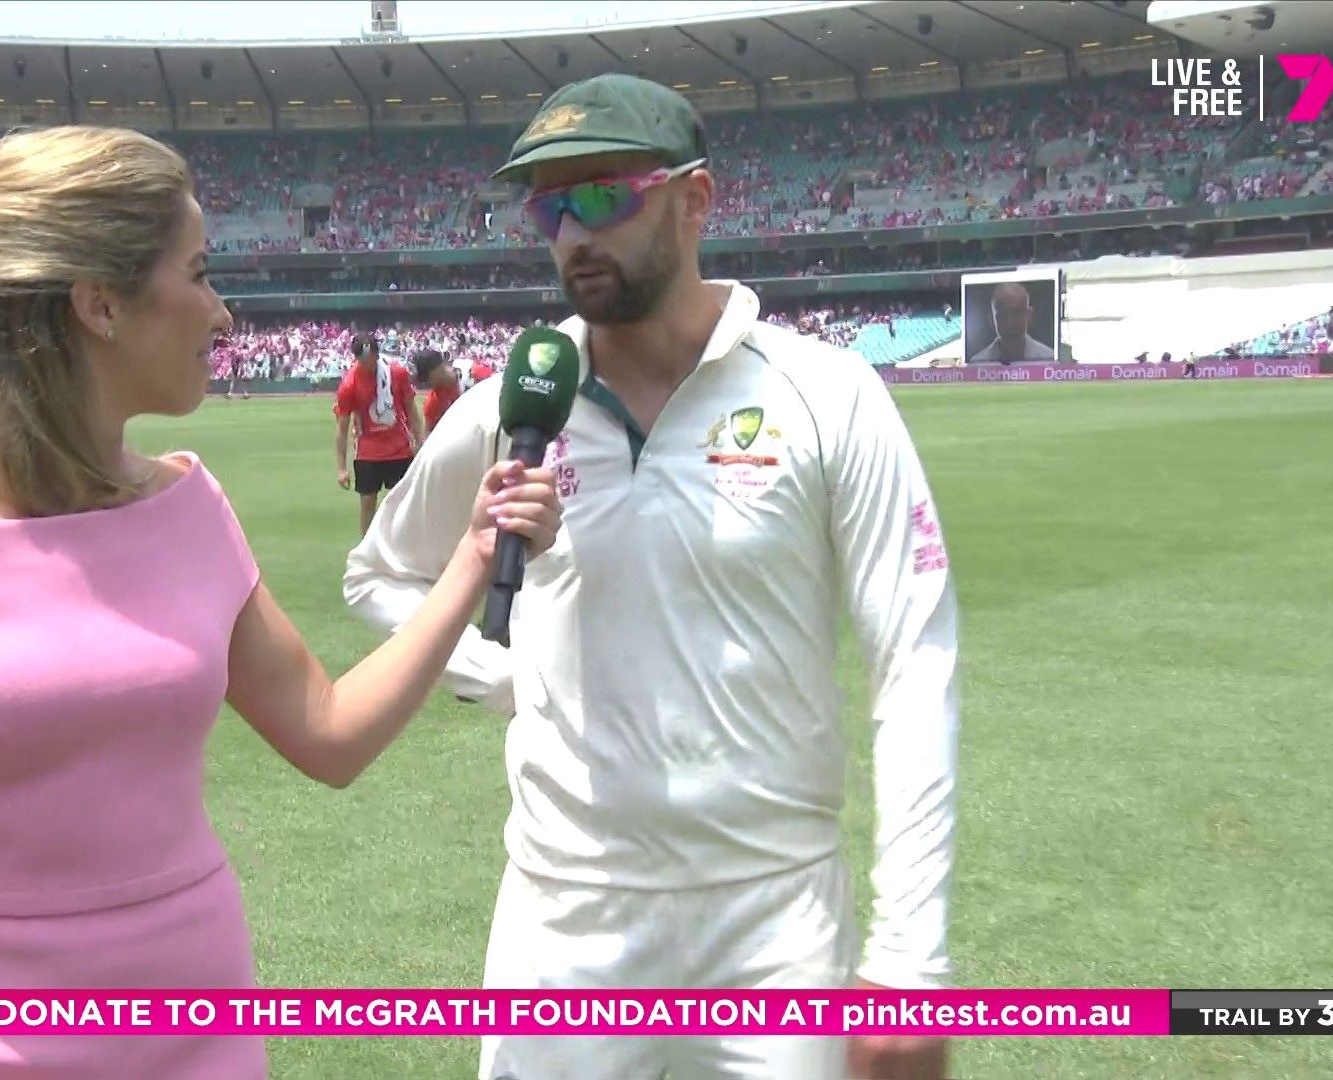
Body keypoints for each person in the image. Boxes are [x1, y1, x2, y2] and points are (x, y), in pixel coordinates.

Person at [0, 125, 562, 1080]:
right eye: (199, 273)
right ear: (101, 303)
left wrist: (471, 556)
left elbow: (330, 735)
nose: (223, 314)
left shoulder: (189, 502)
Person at [344, 74, 959, 1080]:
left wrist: (909, 957)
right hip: (566, 914)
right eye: (550, 208)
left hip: (776, 918)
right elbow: (378, 575)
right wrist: (503, 675)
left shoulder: (826, 393)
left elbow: (915, 661)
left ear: (694, 199)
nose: (573, 234)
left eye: (603, 197)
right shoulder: (512, 404)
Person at [334, 331, 424, 535]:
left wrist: (420, 439)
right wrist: (342, 468)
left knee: (402, 503)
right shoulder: (349, 384)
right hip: (368, 453)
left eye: (372, 359)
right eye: (363, 361)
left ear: (377, 354)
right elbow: (342, 426)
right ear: (355, 358)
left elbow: (410, 408)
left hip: (400, 449)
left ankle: (402, 543)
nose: (368, 365)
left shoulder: (397, 374)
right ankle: (367, 546)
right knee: (367, 502)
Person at [968, 282, 1054, 363]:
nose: (1010, 322)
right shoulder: (976, 363)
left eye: (1016, 313)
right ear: (991, 319)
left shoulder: (1050, 359)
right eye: (1002, 314)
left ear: (1029, 315)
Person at [413, 347, 462, 435]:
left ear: (439, 368)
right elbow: (428, 435)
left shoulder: (469, 377)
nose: (425, 382)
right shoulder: (432, 404)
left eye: (426, 376)